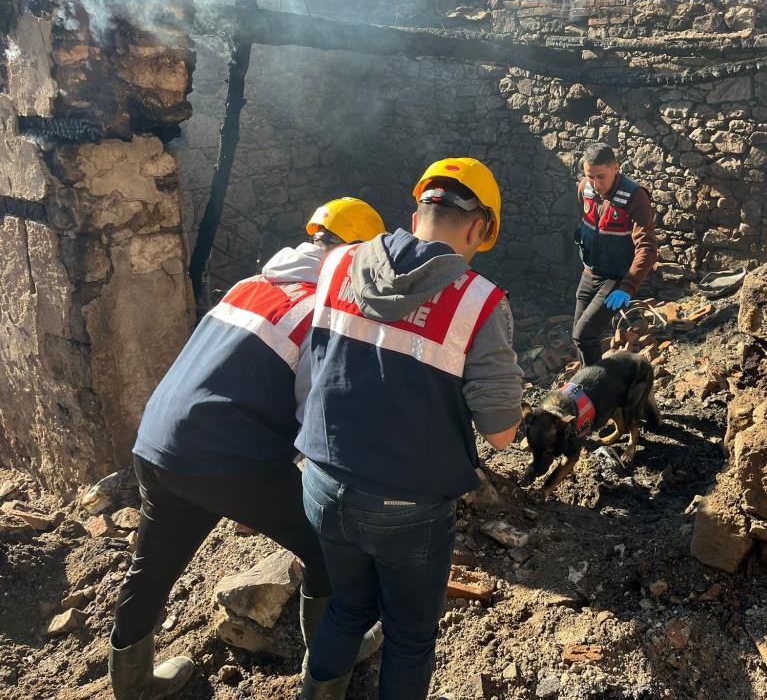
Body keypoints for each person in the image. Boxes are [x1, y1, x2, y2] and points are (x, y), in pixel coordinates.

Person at [107, 198, 386, 700]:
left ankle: (135, 685)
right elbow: (318, 413)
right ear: (358, 257)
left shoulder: (251, 284)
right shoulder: (321, 311)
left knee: (152, 565)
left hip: (158, 442)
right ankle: (329, 674)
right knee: (330, 547)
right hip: (226, 456)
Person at [296, 158, 523, 700]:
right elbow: (501, 435)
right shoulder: (479, 300)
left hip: (321, 482)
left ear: (417, 214)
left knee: (348, 607)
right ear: (478, 229)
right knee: (409, 638)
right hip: (407, 508)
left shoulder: (339, 263)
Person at [571, 142, 657, 365]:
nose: (595, 184)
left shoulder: (634, 197)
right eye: (590, 176)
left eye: (601, 176)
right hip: (590, 273)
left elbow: (647, 248)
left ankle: (595, 383)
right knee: (578, 337)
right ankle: (587, 381)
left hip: (616, 279)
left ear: (616, 168)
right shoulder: (584, 189)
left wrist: (628, 286)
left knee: (584, 335)